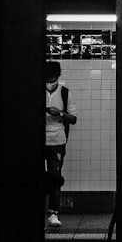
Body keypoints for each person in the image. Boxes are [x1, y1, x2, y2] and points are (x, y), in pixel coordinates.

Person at [45, 61, 77, 228]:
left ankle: (53, 213)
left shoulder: (65, 93)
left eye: (52, 80)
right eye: (47, 80)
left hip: (57, 140)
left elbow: (74, 119)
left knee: (54, 177)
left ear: (58, 77)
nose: (50, 84)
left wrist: (60, 113)